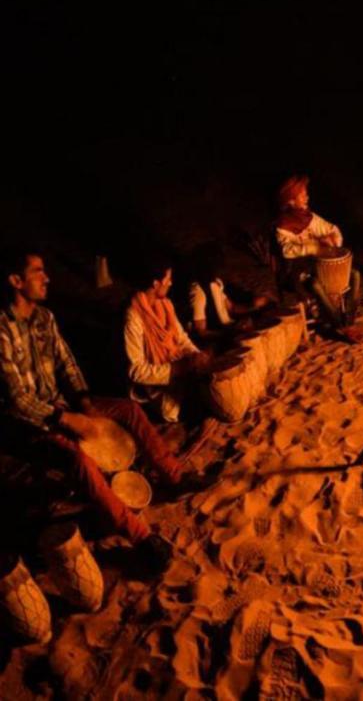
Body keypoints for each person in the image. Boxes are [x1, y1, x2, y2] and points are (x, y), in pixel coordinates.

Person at [0, 248, 209, 570]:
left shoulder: (44, 318)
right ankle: (140, 536)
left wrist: (84, 402)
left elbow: (67, 364)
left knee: (126, 409)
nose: (47, 277)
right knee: (79, 460)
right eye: (37, 271)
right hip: (30, 423)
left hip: (62, 404)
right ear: (15, 280)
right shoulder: (2, 329)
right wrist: (66, 418)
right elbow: (16, 398)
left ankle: (173, 474)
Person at [125, 256, 212, 422]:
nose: (170, 283)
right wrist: (177, 369)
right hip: (154, 386)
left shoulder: (165, 305)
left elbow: (181, 338)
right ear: (156, 284)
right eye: (168, 279)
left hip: (175, 365)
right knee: (189, 408)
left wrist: (196, 355)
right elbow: (135, 371)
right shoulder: (133, 318)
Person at [274, 174, 361, 328]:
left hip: (317, 268)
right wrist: (315, 246)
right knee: (315, 284)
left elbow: (332, 229)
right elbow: (287, 250)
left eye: (305, 193)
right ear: (291, 201)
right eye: (302, 195)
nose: (307, 197)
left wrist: (334, 240)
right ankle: (340, 324)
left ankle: (349, 318)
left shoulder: (308, 217)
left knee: (354, 275)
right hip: (294, 272)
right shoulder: (283, 224)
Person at [187, 241, 271, 340]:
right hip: (221, 336)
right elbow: (202, 332)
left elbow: (231, 308)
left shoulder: (216, 283)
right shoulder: (198, 291)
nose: (220, 268)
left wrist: (253, 306)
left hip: (230, 328)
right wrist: (232, 333)